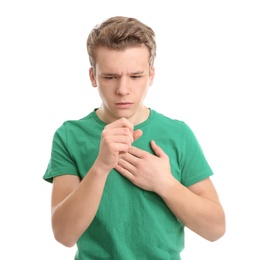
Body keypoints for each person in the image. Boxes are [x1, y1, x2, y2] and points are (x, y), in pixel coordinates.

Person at [43, 16, 226, 259]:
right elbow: (64, 235)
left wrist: (165, 183)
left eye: (136, 76)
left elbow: (215, 229)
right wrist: (100, 167)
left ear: (151, 75)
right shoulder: (69, 136)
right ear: (93, 76)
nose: (123, 89)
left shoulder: (178, 134)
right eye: (110, 77)